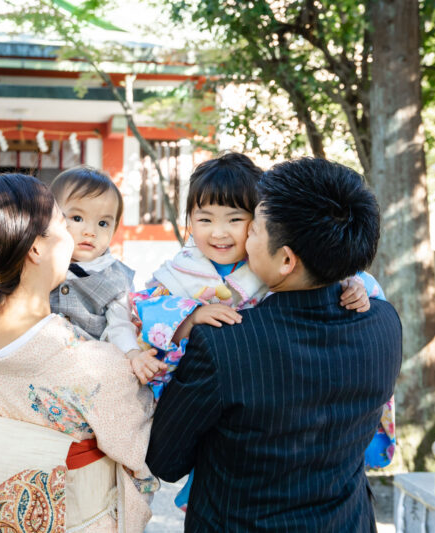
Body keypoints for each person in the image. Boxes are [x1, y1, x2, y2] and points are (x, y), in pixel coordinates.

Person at [146, 158, 403, 532]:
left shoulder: (226, 343)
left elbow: (164, 460)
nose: (242, 238)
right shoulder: (383, 322)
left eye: (254, 229)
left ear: (286, 259)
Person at [0, 173, 155, 532]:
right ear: (37, 247)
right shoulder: (92, 363)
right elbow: (143, 457)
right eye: (64, 222)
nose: (77, 233)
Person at [48, 166, 163, 376]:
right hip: (43, 351)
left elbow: (119, 325)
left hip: (87, 362)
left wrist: (133, 354)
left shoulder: (116, 278)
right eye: (77, 218)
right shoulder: (41, 260)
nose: (90, 231)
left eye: (102, 223)